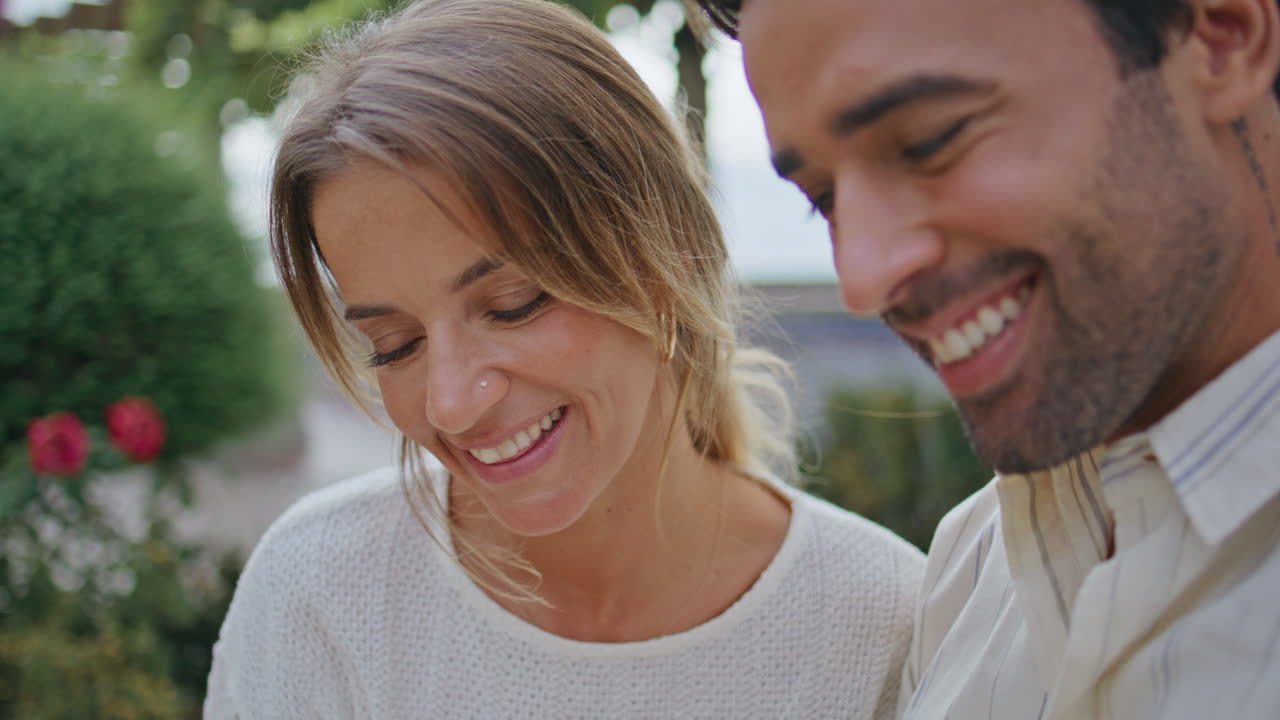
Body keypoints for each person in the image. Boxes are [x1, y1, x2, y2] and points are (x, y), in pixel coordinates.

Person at [203, 0, 924, 716]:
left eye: (513, 304)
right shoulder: (319, 599)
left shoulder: (887, 624)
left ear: (661, 262)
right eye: (396, 345)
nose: (451, 402)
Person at [692, 0, 1280, 718]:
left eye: (932, 142)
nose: (863, 278)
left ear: (1221, 36)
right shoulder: (974, 564)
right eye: (824, 199)